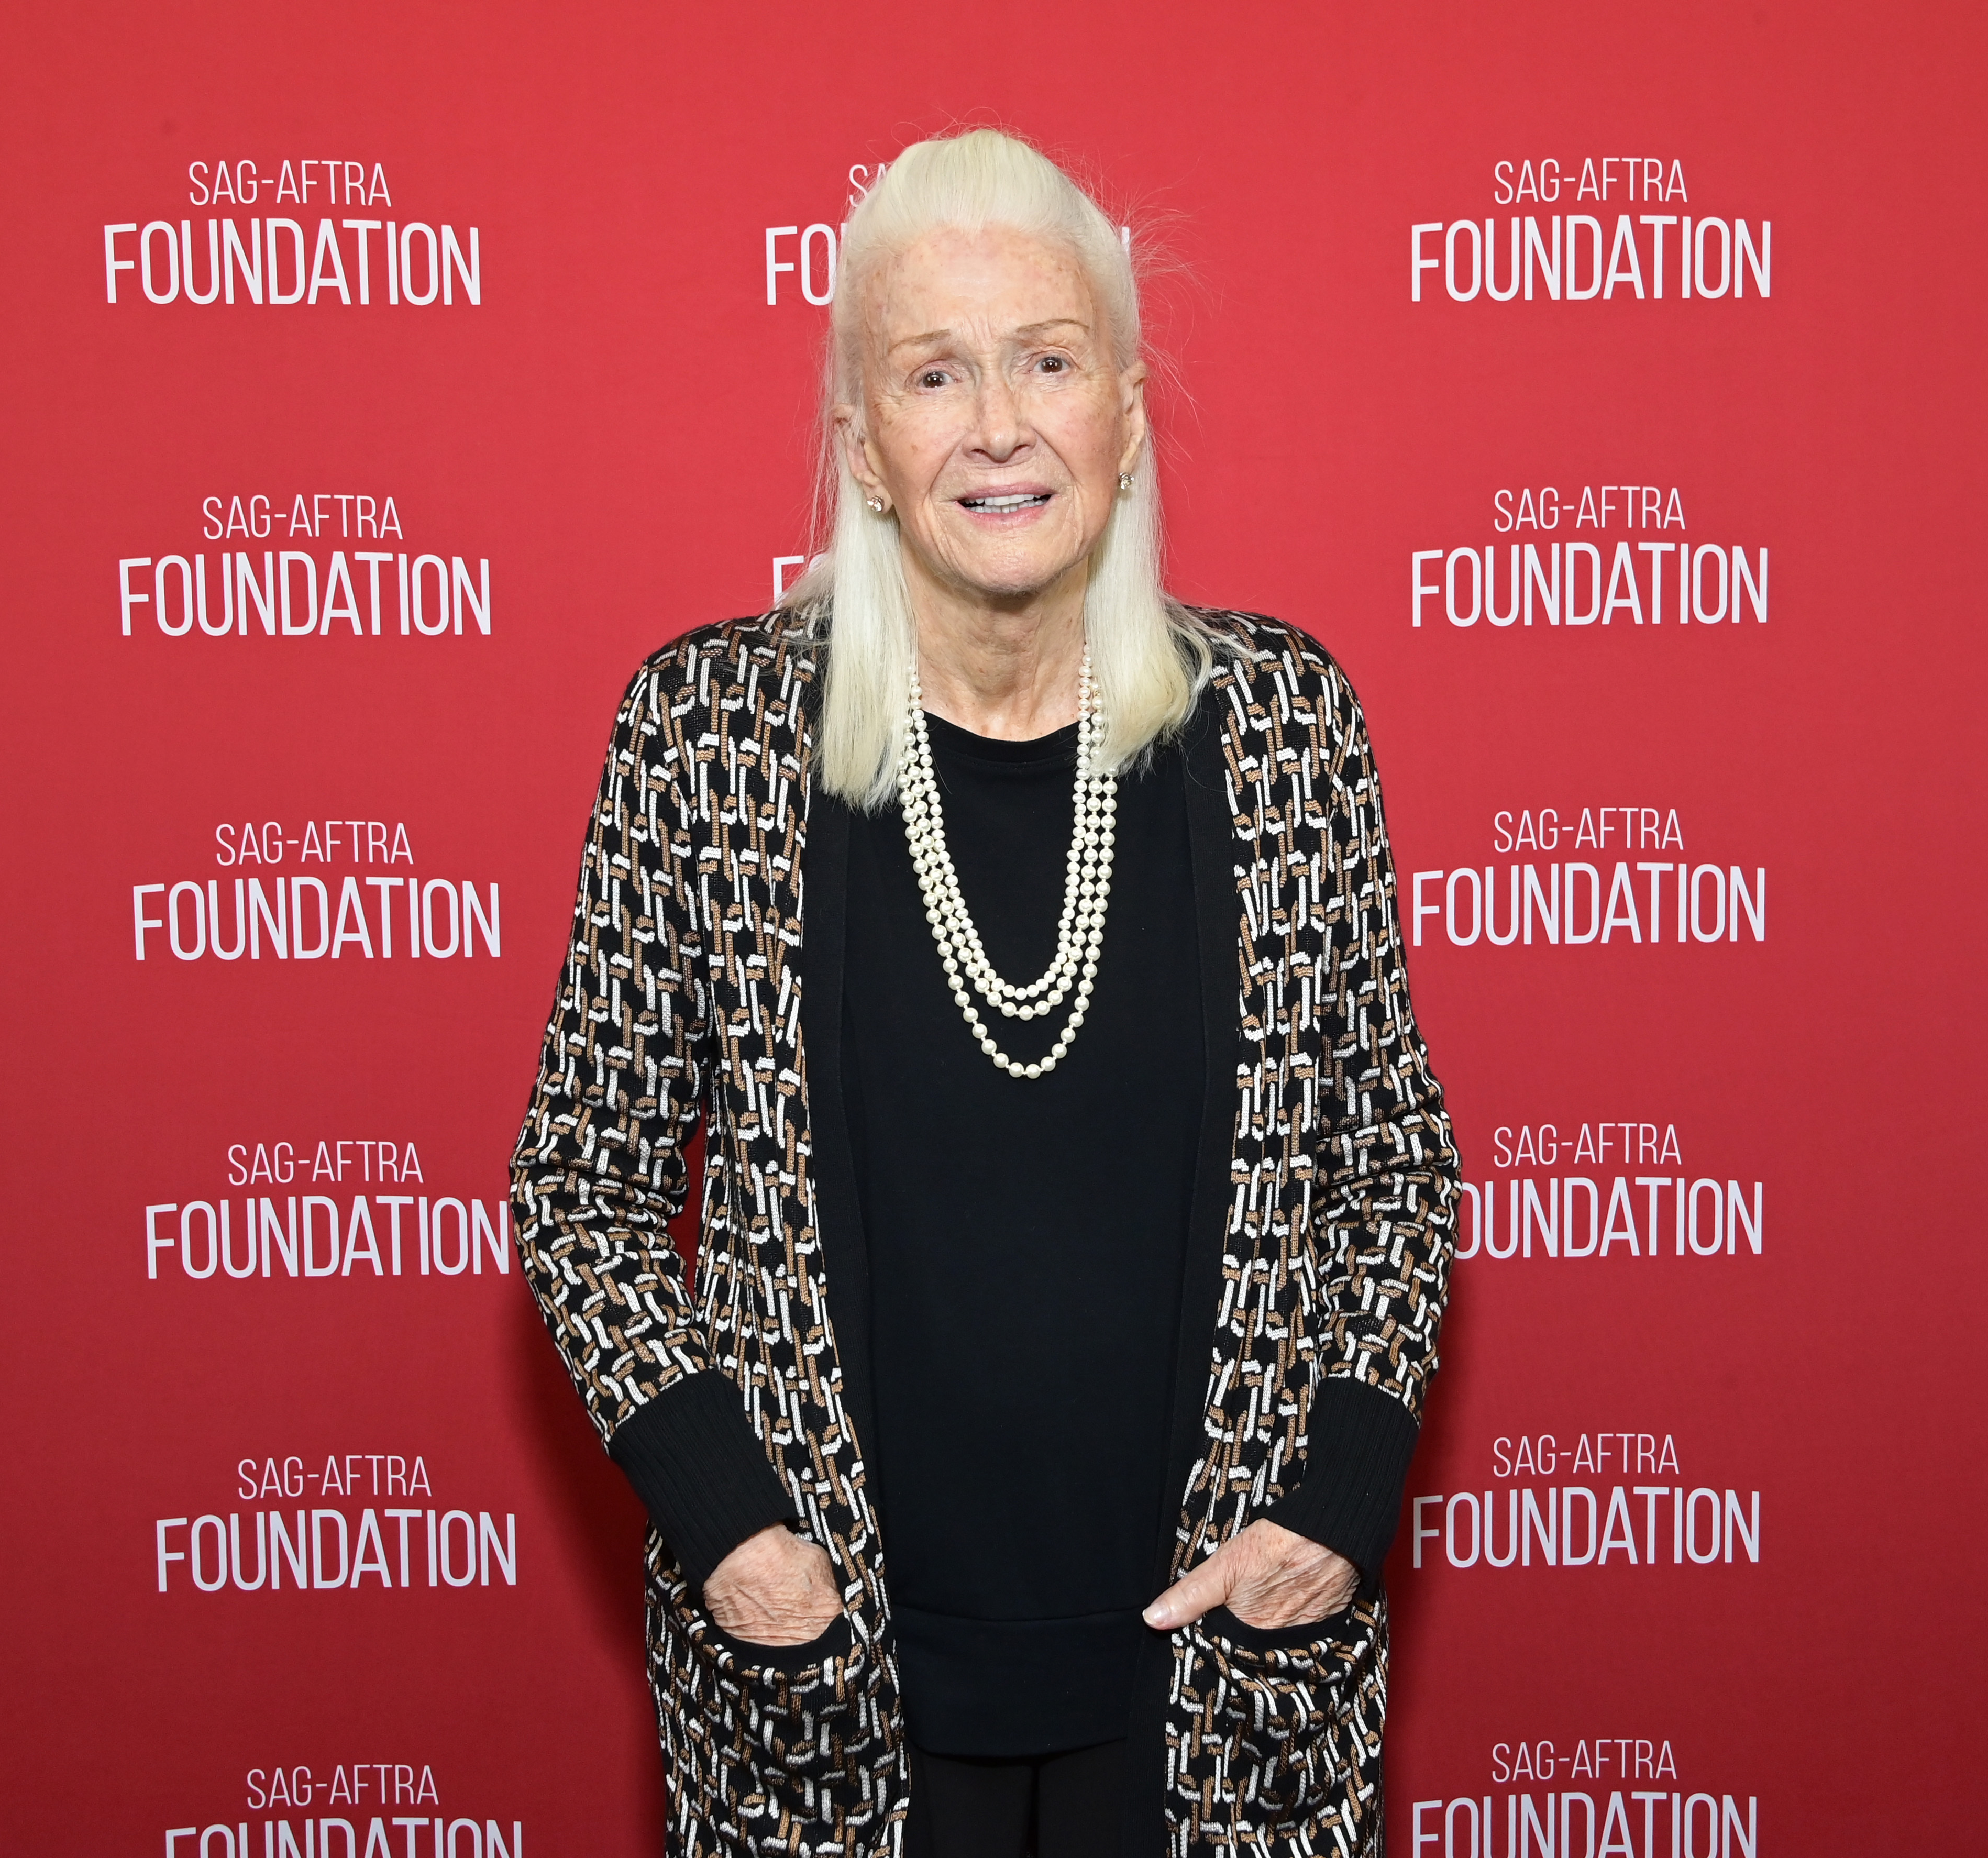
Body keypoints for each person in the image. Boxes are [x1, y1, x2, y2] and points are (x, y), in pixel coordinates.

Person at [513, 127, 1456, 1858]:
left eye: (1048, 361)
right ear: (862, 445)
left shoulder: (1283, 725)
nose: (999, 425)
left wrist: (1332, 1506)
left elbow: (1389, 1165)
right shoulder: (707, 734)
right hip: (829, 1684)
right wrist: (730, 1529)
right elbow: (582, 1183)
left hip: (1218, 1680)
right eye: (934, 373)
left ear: (1127, 415)